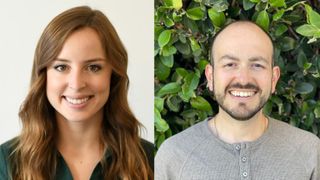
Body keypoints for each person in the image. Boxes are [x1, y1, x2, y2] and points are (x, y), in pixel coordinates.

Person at [0, 6, 153, 180]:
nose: (76, 84)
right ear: (44, 75)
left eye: (93, 67)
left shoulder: (150, 160)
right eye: (61, 67)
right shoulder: (7, 162)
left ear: (114, 74)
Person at [155, 21, 320, 180]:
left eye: (257, 65)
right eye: (230, 64)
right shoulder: (174, 156)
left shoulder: (309, 151)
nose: (243, 79)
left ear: (274, 78)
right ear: (210, 77)